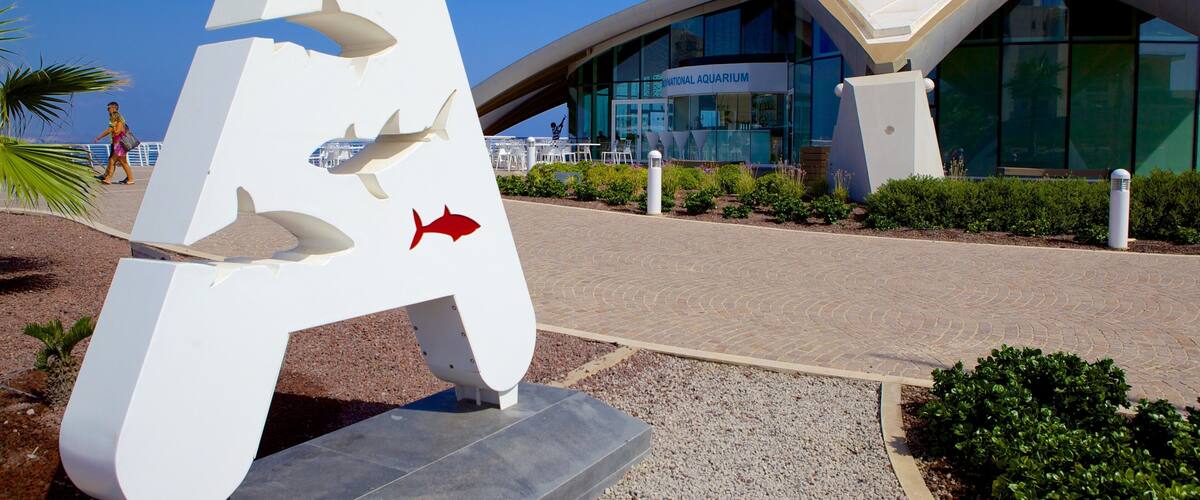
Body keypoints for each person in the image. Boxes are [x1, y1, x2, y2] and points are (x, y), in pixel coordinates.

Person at [94, 101, 135, 185]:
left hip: (120, 143)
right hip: (118, 142)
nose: (107, 110)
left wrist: (101, 136)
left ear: (114, 108)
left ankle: (108, 178)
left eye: (108, 108)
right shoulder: (115, 118)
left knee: (114, 160)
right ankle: (128, 179)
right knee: (120, 161)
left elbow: (117, 131)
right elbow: (113, 130)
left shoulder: (117, 118)